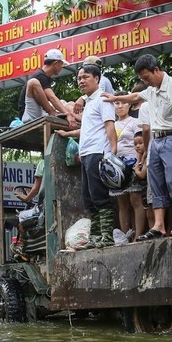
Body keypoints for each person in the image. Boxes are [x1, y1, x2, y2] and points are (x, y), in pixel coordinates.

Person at [108, 54, 172, 240]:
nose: (146, 82)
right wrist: (114, 98)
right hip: (155, 140)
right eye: (142, 79)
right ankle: (159, 225)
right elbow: (135, 96)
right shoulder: (151, 89)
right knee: (156, 182)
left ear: (156, 70)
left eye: (147, 77)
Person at [57, 64, 118, 248]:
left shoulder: (103, 99)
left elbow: (109, 125)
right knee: (88, 198)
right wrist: (67, 134)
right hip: (85, 154)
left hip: (97, 153)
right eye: (79, 78)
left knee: (100, 196)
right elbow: (87, 130)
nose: (81, 81)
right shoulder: (89, 102)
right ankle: (95, 237)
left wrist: (112, 151)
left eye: (85, 77)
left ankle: (107, 237)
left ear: (97, 79)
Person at [109, 100, 143, 239]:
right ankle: (124, 236)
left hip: (132, 163)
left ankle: (138, 235)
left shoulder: (136, 122)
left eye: (124, 103)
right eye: (116, 103)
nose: (120, 106)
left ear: (129, 105)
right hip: (116, 167)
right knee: (122, 202)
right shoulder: (111, 125)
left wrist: (139, 163)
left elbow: (141, 143)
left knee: (135, 199)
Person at [20, 48, 74, 122]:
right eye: (61, 64)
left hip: (39, 110)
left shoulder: (46, 77)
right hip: (28, 114)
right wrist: (67, 114)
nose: (61, 67)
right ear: (55, 64)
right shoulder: (40, 76)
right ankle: (52, 112)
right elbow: (52, 98)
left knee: (70, 104)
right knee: (33, 82)